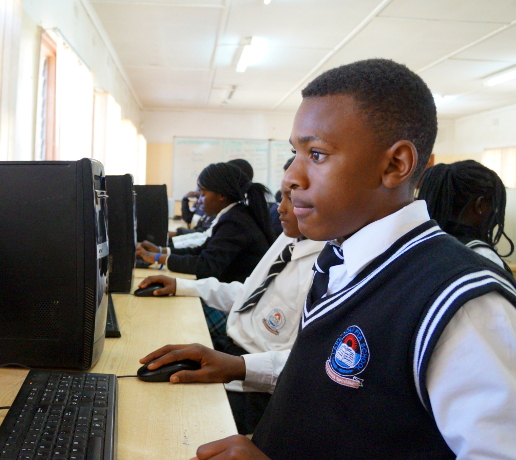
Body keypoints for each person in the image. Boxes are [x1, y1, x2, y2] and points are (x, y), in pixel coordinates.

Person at [142, 58, 516, 459]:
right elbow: (332, 372)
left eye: (317, 154)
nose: (290, 178)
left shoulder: (464, 306)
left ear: (395, 165)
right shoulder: (339, 257)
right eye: (295, 152)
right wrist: (239, 367)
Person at [136, 158, 324, 434]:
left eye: (291, 199)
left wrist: (236, 366)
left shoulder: (328, 267)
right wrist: (181, 285)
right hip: (232, 356)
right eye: (282, 197)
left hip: (254, 388)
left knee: (163, 418)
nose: (279, 209)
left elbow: (307, 365)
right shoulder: (289, 240)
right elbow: (249, 293)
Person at [136, 162, 275, 339]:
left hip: (238, 308)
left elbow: (207, 265)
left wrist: (158, 257)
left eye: (202, 194)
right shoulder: (233, 215)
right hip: (227, 295)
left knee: (173, 318)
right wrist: (161, 253)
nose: (199, 200)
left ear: (221, 195)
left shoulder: (236, 221)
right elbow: (203, 251)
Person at [417, 160, 514, 274]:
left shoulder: (423, 247)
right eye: (494, 206)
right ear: (480, 205)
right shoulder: (482, 257)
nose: (495, 214)